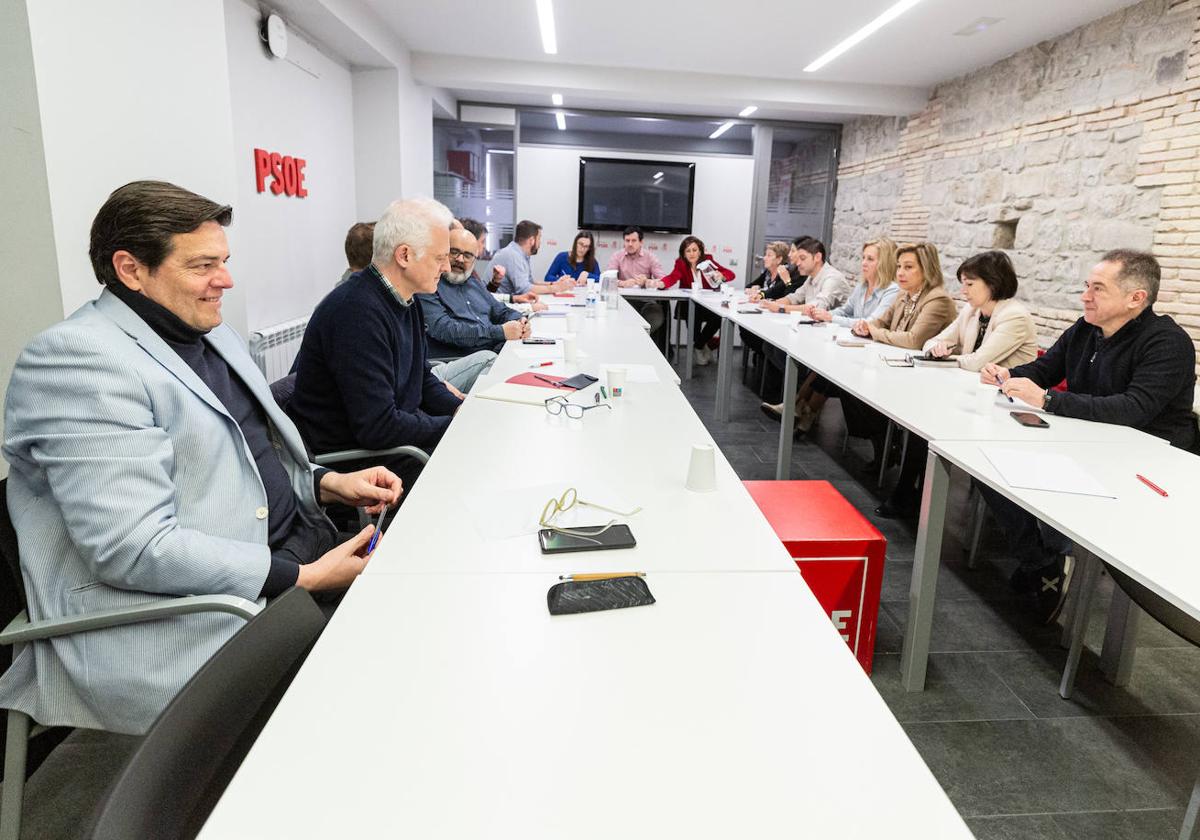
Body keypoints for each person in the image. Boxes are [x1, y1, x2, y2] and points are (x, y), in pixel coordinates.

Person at [0, 181, 401, 735]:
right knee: (387, 688)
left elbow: (240, 462)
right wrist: (302, 577)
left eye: (225, 261)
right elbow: (133, 548)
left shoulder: (206, 332)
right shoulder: (78, 360)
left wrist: (327, 483)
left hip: (290, 555)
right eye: (203, 265)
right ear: (131, 269)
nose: (226, 280)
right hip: (203, 605)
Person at [979, 249, 1197, 622]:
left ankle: (1053, 558)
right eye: (1086, 286)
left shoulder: (1167, 343)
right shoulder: (1086, 329)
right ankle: (1043, 560)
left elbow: (1132, 409)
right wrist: (1009, 375)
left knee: (1047, 478)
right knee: (988, 466)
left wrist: (1048, 400)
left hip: (1144, 458)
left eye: (1098, 288)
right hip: (1085, 438)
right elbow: (1044, 368)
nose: (1085, 296)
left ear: (1135, 299)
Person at [289, 197, 465, 491]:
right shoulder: (355, 313)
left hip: (392, 443)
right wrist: (454, 428)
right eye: (439, 258)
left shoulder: (407, 299)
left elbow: (419, 377)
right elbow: (378, 428)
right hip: (360, 460)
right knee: (470, 474)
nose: (447, 267)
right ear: (405, 255)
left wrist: (460, 410)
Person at [874, 250, 1038, 520]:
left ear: (993, 283)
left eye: (970, 284)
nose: (963, 290)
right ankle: (909, 493)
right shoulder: (972, 311)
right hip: (972, 396)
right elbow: (930, 342)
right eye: (963, 282)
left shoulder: (1014, 317)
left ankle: (909, 494)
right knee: (921, 417)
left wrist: (947, 355)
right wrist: (937, 348)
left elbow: (977, 362)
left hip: (1004, 407)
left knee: (926, 420)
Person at [840, 242, 957, 470]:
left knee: (867, 390)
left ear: (927, 268)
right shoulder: (903, 295)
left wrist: (875, 332)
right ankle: (884, 446)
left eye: (909, 267)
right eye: (899, 266)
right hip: (894, 367)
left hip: (925, 380)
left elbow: (914, 341)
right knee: (850, 386)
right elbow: (881, 321)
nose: (900, 273)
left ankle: (888, 448)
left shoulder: (937, 299)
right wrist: (866, 326)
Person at [761, 238, 899, 428]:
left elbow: (870, 323)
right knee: (816, 360)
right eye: (863, 257)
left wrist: (829, 317)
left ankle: (800, 408)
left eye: (870, 259)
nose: (864, 263)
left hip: (871, 354)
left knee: (828, 364)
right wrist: (824, 315)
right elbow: (845, 310)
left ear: (884, 262)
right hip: (852, 344)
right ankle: (802, 410)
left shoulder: (892, 291)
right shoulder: (863, 286)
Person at [420, 227, 530, 359]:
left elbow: (500, 310)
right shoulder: (427, 284)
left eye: (467, 255)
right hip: (460, 361)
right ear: (443, 252)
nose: (460, 259)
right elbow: (444, 330)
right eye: (454, 252)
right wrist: (500, 332)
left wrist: (519, 320)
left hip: (493, 352)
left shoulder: (473, 282)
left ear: (474, 259)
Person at [660, 235, 735, 366]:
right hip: (689, 305)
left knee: (718, 317)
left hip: (707, 304)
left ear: (700, 251)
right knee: (693, 317)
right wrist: (661, 284)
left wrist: (721, 276)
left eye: (694, 250)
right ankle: (702, 346)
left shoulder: (708, 261)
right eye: (688, 251)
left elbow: (730, 273)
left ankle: (699, 346)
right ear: (683, 253)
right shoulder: (681, 264)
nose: (692, 254)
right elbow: (672, 277)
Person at [610, 226, 668, 349]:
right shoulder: (617, 256)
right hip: (623, 302)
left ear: (641, 242)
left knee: (656, 317)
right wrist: (623, 283)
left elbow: (663, 280)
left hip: (647, 302)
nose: (630, 244)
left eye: (633, 241)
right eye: (627, 241)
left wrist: (647, 282)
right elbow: (609, 279)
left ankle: (636, 346)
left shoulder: (650, 257)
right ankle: (632, 347)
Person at [762, 237, 850, 314]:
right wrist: (772, 304)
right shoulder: (811, 277)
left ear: (817, 257)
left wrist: (780, 308)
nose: (798, 263)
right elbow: (795, 297)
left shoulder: (832, 278)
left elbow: (816, 307)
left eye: (803, 258)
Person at [742, 241, 795, 358]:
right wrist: (754, 288)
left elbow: (775, 292)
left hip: (777, 317)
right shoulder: (768, 273)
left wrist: (759, 292)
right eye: (765, 254)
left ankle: (763, 356)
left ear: (779, 259)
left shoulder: (785, 273)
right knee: (744, 328)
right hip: (764, 312)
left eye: (769, 255)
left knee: (749, 331)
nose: (764, 258)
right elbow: (748, 286)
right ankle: (761, 355)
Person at [493, 220, 572, 297]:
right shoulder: (513, 255)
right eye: (539, 238)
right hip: (497, 304)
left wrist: (554, 284)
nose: (540, 243)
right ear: (532, 241)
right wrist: (557, 288)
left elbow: (530, 282)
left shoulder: (520, 254)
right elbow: (524, 289)